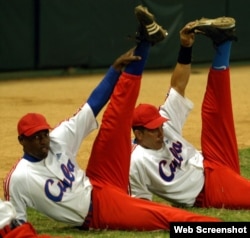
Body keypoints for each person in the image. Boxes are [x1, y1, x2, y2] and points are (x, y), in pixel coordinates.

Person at [3, 5, 220, 232]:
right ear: (22, 141)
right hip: (99, 212)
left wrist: (114, 70)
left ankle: (145, 41)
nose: (42, 140)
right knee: (166, 217)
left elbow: (92, 106)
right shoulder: (19, 178)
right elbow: (17, 222)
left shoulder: (57, 139)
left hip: (100, 180)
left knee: (115, 119)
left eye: (43, 134)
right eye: (35, 137)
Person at [129, 16, 250, 209]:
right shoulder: (135, 162)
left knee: (215, 111)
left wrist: (186, 47)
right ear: (139, 134)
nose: (161, 132)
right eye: (154, 129)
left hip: (212, 160)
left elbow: (178, 86)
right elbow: (141, 203)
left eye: (160, 126)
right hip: (210, 190)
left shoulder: (163, 124)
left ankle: (223, 43)